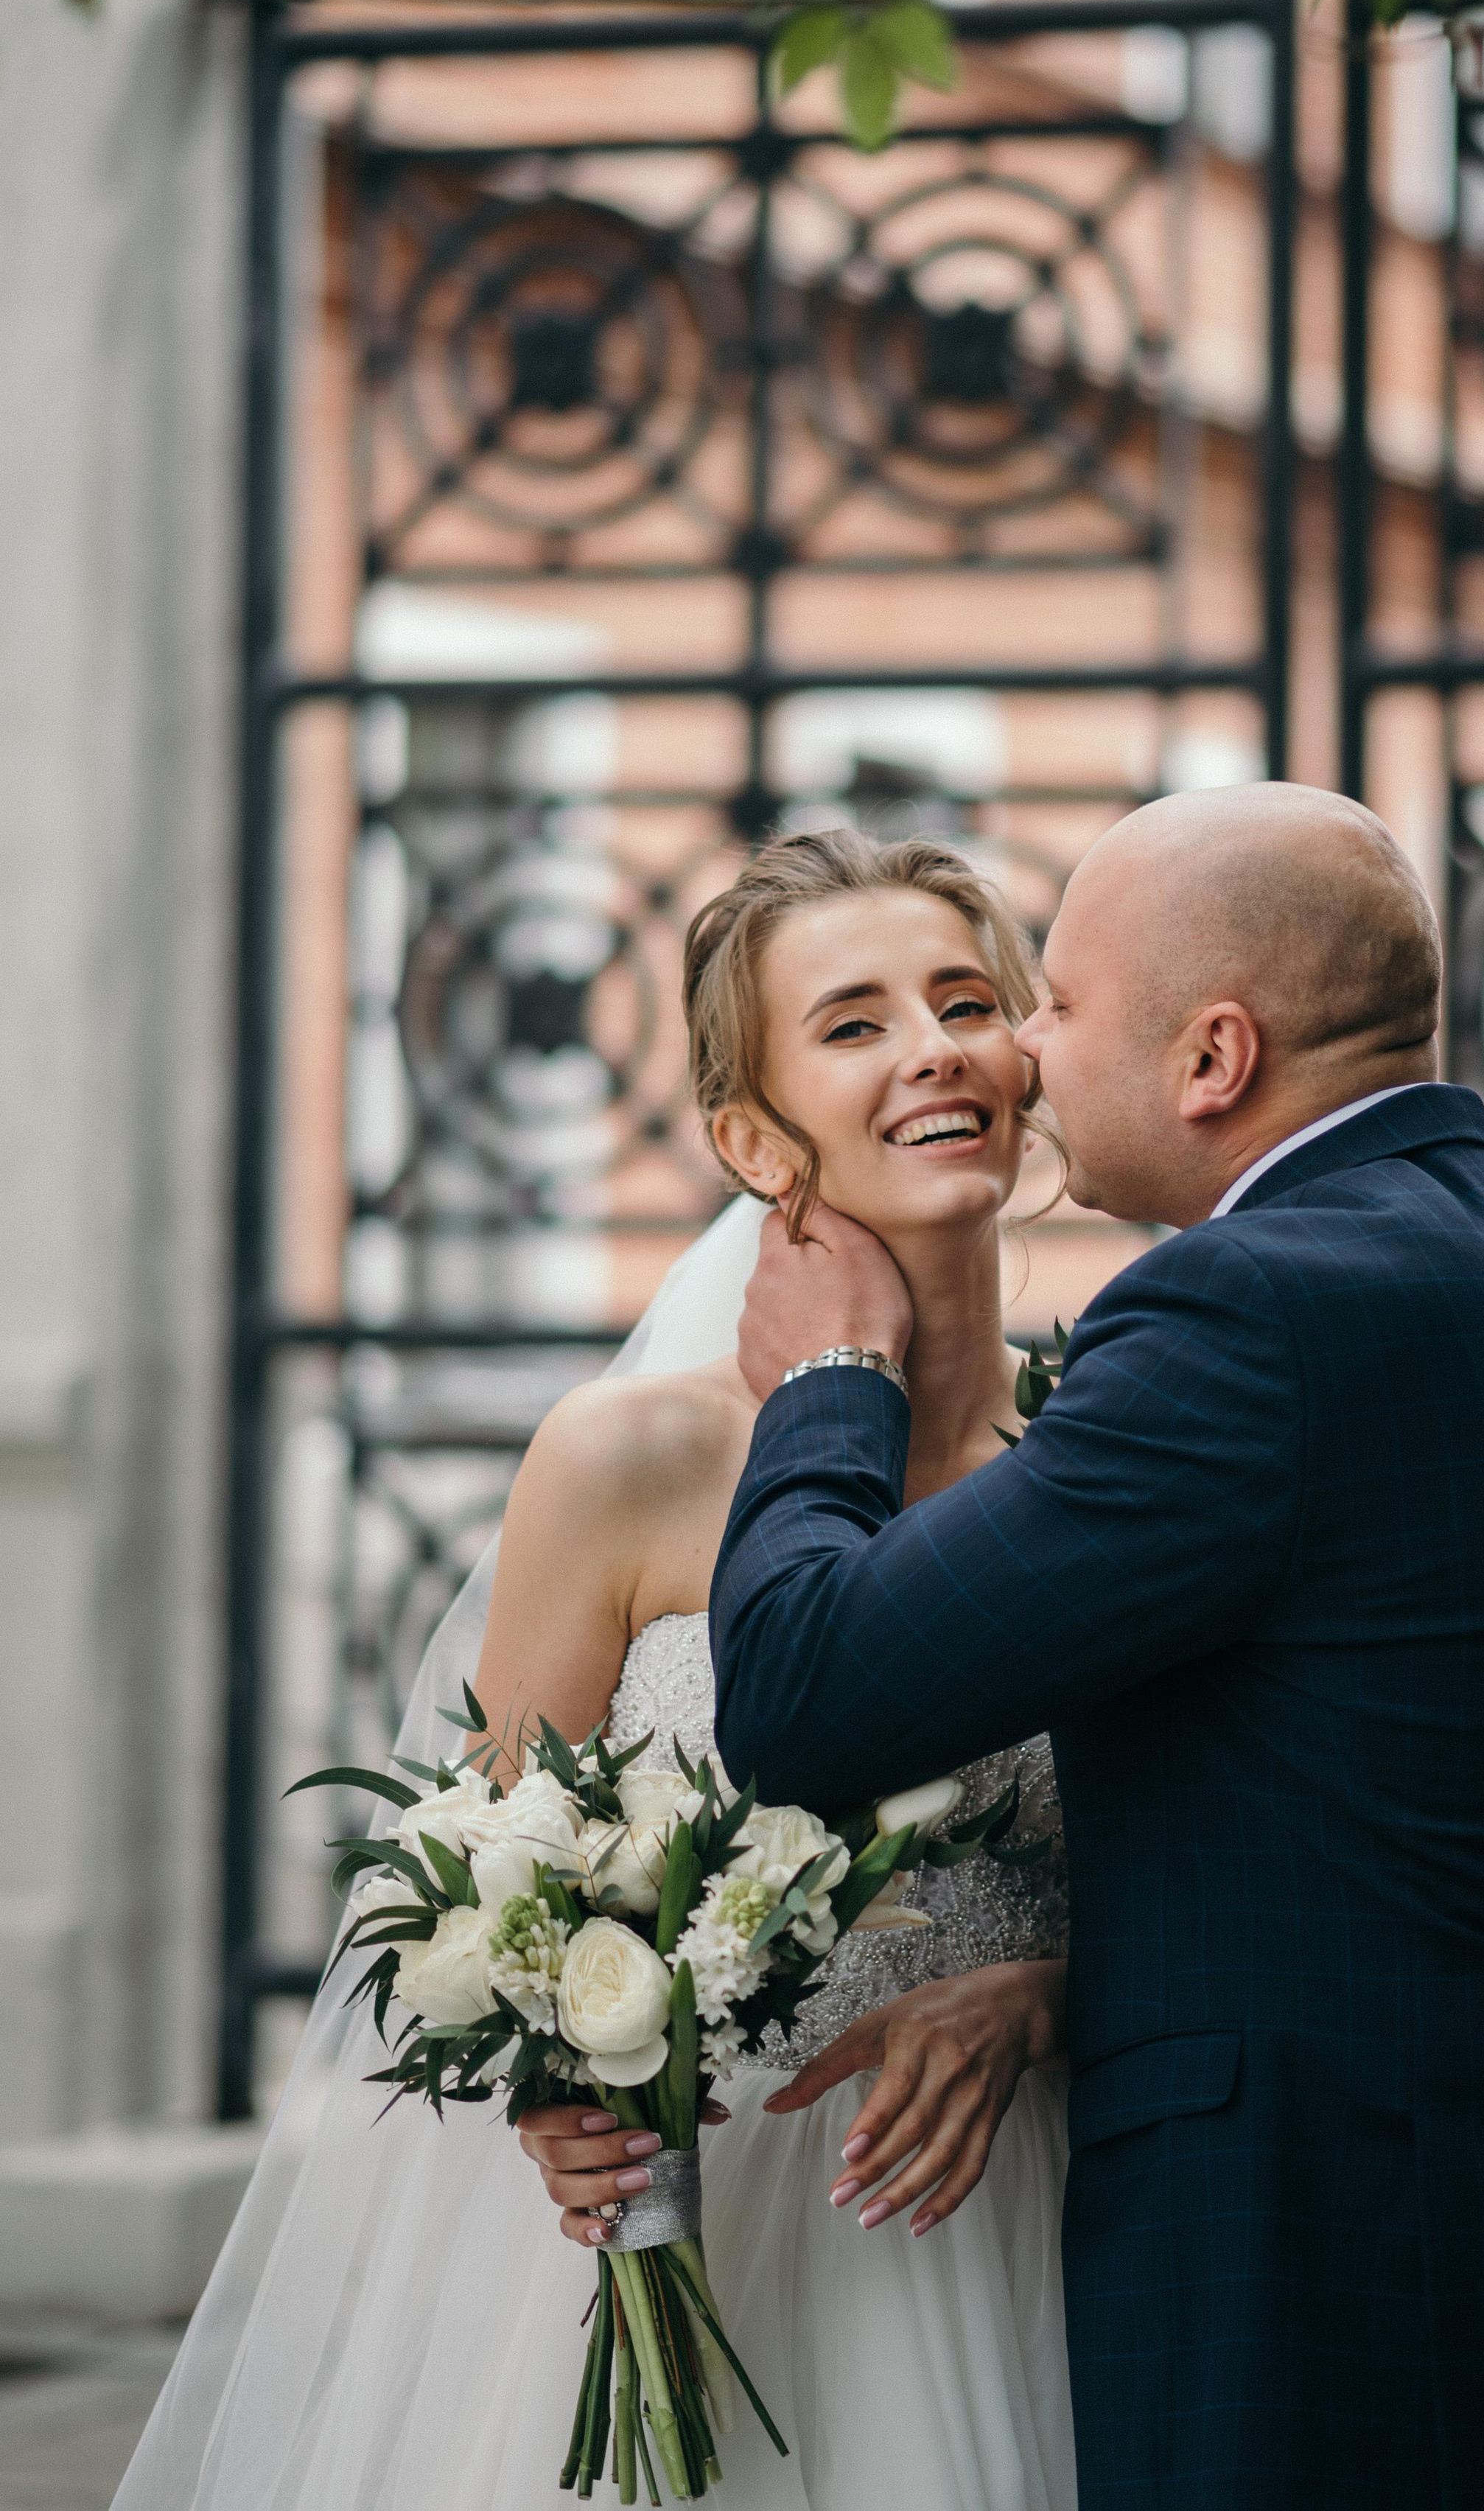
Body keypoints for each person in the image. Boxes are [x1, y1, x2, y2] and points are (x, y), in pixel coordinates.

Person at [711, 780, 1484, 2511]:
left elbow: (807, 1697)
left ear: (1212, 1059)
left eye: (1052, 1003)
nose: (1020, 1050)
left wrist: (828, 1383)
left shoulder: (1237, 1318)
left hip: (1348, 2345)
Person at [115, 831, 1074, 2511]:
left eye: (965, 999)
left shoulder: (1107, 1439)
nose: (931, 1045)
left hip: (1046, 2205)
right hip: (725, 2221)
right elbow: (503, 1873)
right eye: (851, 1023)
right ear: (743, 1133)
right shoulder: (626, 1462)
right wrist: (561, 2087)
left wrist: (1057, 1988)